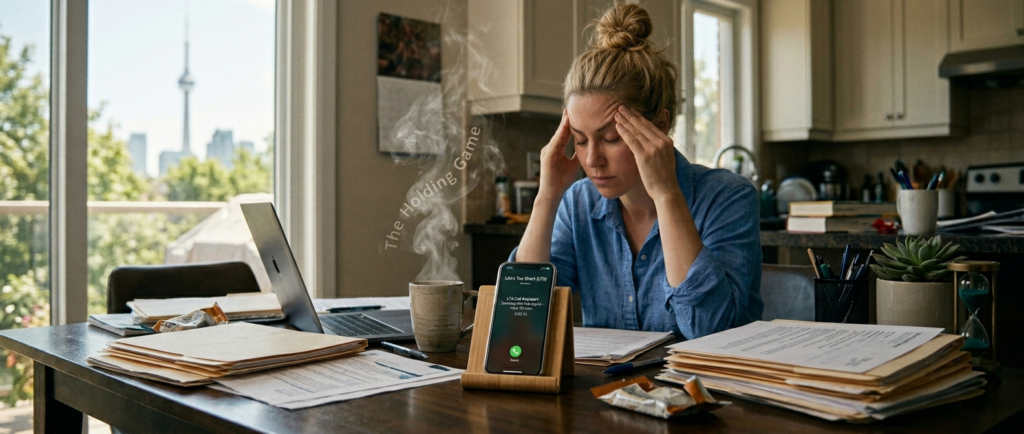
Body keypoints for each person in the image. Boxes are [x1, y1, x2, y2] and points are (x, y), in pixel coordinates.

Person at [510, 3, 762, 339]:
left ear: (660, 125)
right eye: (580, 141)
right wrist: (547, 198)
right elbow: (523, 318)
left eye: (611, 138)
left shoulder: (727, 197)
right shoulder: (577, 204)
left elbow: (710, 330)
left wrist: (666, 194)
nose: (592, 159)